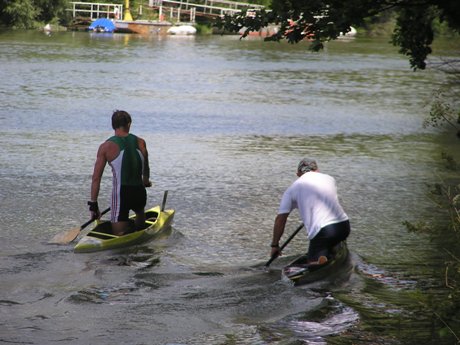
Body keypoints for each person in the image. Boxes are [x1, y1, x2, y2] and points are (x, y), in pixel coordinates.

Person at [270, 158, 350, 265]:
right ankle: (332, 252)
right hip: (344, 226)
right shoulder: (330, 179)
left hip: (324, 230)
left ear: (298, 174)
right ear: (317, 170)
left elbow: (280, 219)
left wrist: (275, 245)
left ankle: (319, 262)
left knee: (313, 263)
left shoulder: (292, 189)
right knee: (329, 244)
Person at [88, 110, 152, 236]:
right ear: (129, 124)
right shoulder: (141, 142)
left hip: (121, 194)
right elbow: (146, 169)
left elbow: (96, 178)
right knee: (140, 225)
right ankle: (138, 234)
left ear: (113, 126)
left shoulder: (105, 147)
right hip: (139, 192)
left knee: (119, 234)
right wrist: (146, 181)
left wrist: (94, 205)